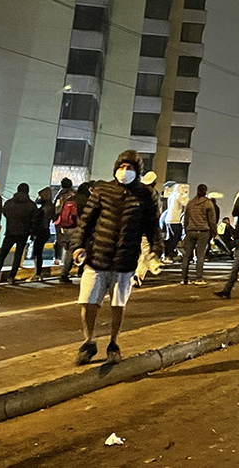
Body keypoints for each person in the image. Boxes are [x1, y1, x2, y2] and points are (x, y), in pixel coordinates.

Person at [70, 150, 162, 365]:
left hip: (125, 262)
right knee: (88, 302)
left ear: (137, 171)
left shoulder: (145, 195)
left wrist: (157, 250)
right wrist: (77, 246)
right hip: (97, 258)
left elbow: (152, 227)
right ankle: (89, 342)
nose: (124, 171)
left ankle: (114, 343)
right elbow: (86, 222)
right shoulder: (103, 190)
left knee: (118, 305)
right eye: (121, 167)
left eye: (129, 168)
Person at [0, 183, 37, 285]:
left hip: (10, 231)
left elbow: (5, 213)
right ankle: (11, 277)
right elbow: (34, 219)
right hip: (23, 233)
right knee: (18, 255)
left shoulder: (9, 203)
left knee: (2, 254)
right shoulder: (31, 205)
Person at [179, 184, 215, 285]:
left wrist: (186, 230)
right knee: (200, 255)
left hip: (190, 231)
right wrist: (214, 232)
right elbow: (212, 220)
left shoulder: (190, 204)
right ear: (205, 191)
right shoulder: (208, 203)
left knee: (187, 255)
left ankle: (184, 278)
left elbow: (185, 219)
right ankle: (199, 278)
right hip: (203, 231)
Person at [59, 182, 93, 283]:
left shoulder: (70, 199)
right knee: (83, 249)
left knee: (69, 250)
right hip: (79, 229)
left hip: (67, 228)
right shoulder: (85, 201)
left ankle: (65, 273)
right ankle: (78, 271)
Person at [30, 186, 54, 281]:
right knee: (38, 252)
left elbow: (39, 221)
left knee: (37, 253)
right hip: (46, 230)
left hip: (40, 231)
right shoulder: (50, 206)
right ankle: (38, 273)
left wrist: (34, 233)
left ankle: (37, 273)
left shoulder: (44, 209)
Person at [52, 177, 76, 267]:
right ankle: (70, 260)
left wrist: (54, 217)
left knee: (59, 240)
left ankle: (57, 259)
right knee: (72, 241)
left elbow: (56, 208)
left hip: (61, 221)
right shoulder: (75, 194)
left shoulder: (60, 195)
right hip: (73, 222)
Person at [163, 183, 188, 261]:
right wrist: (186, 196)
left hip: (168, 220)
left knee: (169, 238)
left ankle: (166, 254)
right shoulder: (178, 196)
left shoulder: (171, 196)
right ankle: (169, 253)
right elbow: (185, 203)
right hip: (175, 220)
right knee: (175, 238)